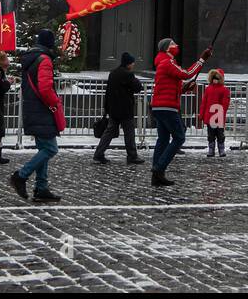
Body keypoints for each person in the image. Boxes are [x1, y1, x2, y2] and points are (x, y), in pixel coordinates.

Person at [10, 29, 66, 201]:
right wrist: (54, 103)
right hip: (42, 109)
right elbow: (45, 88)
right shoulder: (45, 60)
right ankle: (21, 176)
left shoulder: (32, 58)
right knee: (50, 149)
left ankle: (41, 188)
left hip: (33, 108)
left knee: (44, 148)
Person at [148, 37, 210, 187]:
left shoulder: (163, 63)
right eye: (173, 44)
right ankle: (159, 168)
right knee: (179, 137)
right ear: (166, 49)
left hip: (159, 106)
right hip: (167, 107)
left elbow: (168, 87)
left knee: (162, 139)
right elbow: (187, 73)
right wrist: (202, 59)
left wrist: (184, 88)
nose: (176, 46)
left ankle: (157, 175)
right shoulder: (168, 62)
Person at [93, 52, 145, 164]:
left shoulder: (113, 73)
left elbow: (108, 92)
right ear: (128, 64)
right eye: (132, 63)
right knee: (129, 133)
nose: (133, 64)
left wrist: (107, 108)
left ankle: (98, 153)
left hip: (113, 109)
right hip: (125, 109)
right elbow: (138, 87)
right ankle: (132, 155)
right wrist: (135, 78)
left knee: (109, 132)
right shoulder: (128, 74)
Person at [199, 68, 231, 158]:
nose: (215, 79)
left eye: (217, 78)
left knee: (220, 135)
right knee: (211, 135)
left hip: (218, 116)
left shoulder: (224, 90)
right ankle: (211, 149)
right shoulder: (208, 89)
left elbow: (225, 104)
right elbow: (204, 103)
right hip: (210, 117)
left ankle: (221, 149)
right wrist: (201, 114)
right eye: (214, 77)